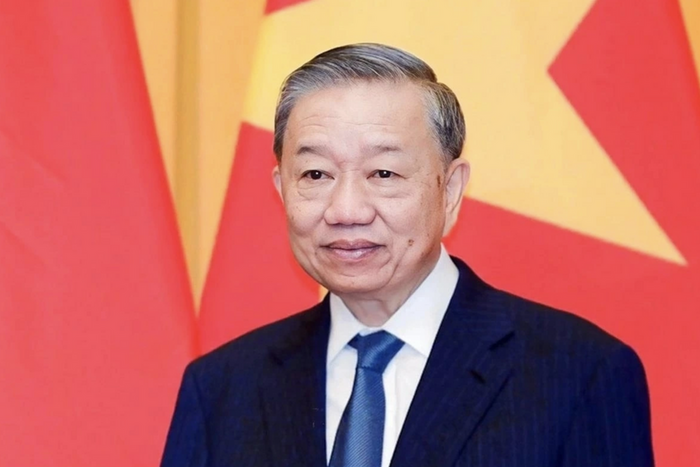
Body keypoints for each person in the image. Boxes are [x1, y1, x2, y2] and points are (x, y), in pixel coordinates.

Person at [161, 43, 654, 467]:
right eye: (315, 175)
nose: (346, 210)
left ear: (450, 190)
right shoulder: (222, 388)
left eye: (384, 174)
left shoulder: (578, 374)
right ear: (281, 189)